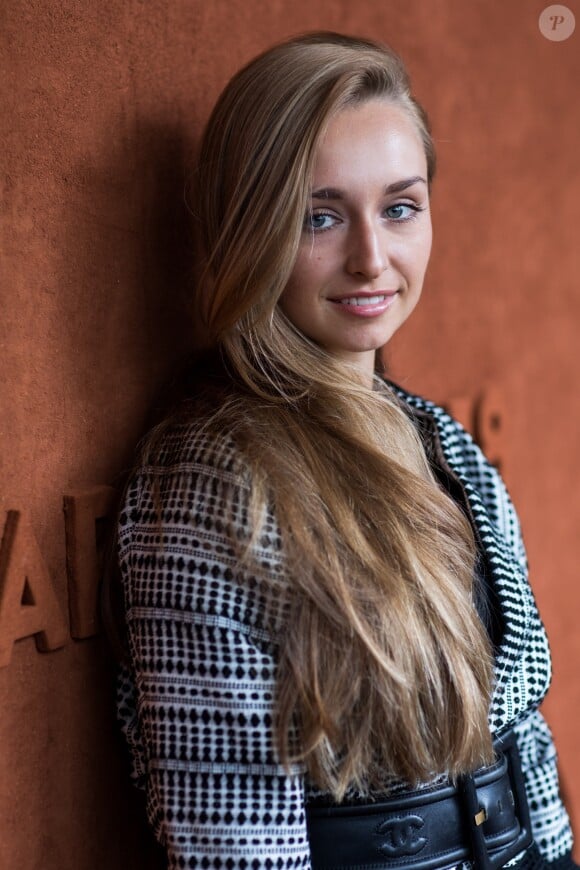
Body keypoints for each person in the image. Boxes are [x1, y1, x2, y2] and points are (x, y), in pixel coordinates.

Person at [113, 31, 576, 870]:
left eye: (400, 207)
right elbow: (235, 847)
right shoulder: (214, 484)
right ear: (250, 232)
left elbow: (526, 752)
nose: (372, 259)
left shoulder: (445, 446)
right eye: (319, 217)